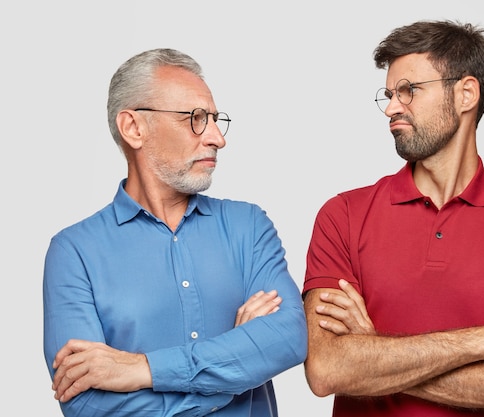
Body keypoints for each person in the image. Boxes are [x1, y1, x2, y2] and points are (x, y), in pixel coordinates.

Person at [302, 20, 484, 417]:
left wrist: (374, 352)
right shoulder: (343, 215)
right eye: (388, 94)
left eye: (408, 91)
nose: (392, 107)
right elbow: (327, 368)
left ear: (466, 93)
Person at [43, 48, 307, 417]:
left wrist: (142, 370)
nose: (217, 137)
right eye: (196, 118)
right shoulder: (74, 252)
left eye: (216, 119)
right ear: (133, 128)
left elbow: (288, 338)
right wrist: (235, 371)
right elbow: (88, 404)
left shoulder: (248, 226)